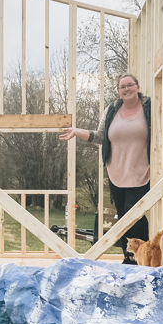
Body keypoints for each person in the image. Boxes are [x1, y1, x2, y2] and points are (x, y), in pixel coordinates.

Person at [59, 73, 151, 263]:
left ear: (138, 87)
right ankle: (129, 257)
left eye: (130, 85)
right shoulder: (111, 111)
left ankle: (140, 259)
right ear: (118, 91)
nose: (126, 89)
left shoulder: (149, 108)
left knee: (134, 216)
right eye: (122, 87)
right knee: (124, 217)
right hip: (116, 172)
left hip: (142, 171)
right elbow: (100, 136)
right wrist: (77, 131)